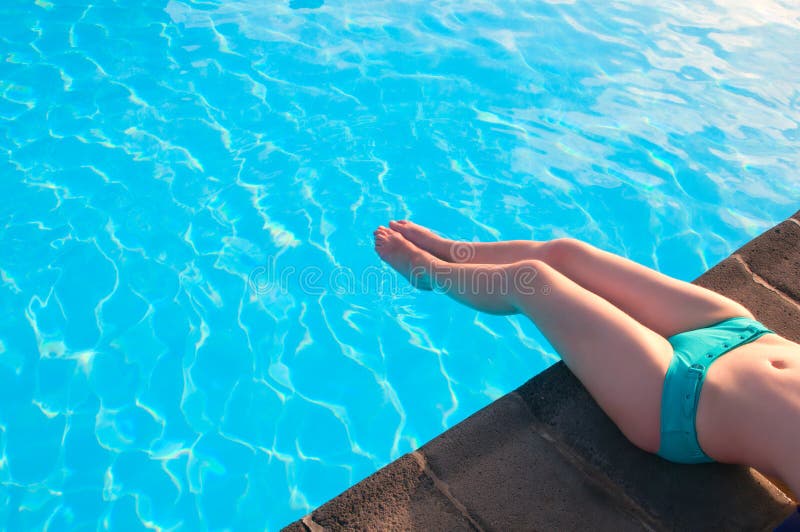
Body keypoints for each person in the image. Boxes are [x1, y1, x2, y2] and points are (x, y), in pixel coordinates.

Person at [373, 220, 800, 508]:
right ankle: (452, 251)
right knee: (565, 253)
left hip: (680, 399)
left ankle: (425, 271)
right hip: (740, 333)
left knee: (530, 279)